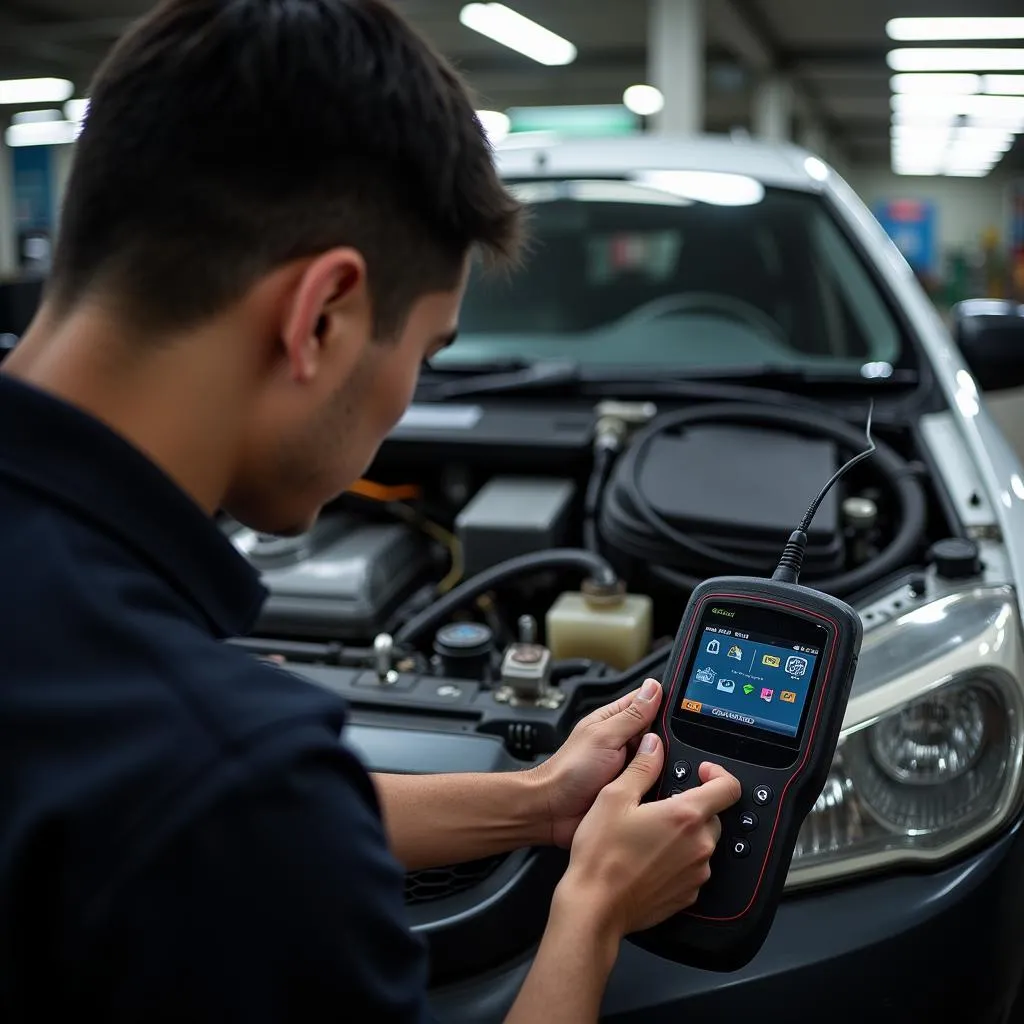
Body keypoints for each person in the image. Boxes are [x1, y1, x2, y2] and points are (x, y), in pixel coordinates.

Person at [0, 0, 741, 1020]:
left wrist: (535, 804)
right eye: (428, 353)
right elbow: (239, 807)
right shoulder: (222, 766)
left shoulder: (171, 754)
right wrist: (595, 905)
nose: (408, 402)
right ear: (324, 318)